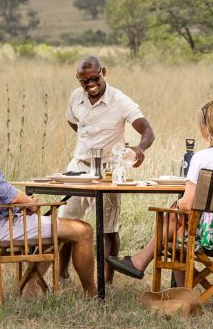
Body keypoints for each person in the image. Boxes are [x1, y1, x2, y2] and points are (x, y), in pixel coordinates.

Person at [0, 96, 97, 297]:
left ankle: (29, 288)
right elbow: (7, 195)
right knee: (82, 230)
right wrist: (30, 202)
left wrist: (23, 202)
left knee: (57, 228)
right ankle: (94, 295)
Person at [107, 99, 213, 284]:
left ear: (205, 131)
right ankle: (143, 263)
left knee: (175, 219)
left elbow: (187, 205)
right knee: (178, 224)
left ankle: (179, 291)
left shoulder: (202, 158)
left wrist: (177, 205)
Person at [59, 56, 155, 283]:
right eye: (85, 81)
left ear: (104, 72)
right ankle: (61, 275)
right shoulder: (76, 97)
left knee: (108, 228)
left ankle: (105, 281)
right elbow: (73, 121)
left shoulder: (119, 100)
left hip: (109, 169)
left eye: (95, 78)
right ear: (78, 79)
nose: (91, 84)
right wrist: (88, 140)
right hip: (79, 166)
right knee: (64, 224)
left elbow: (148, 131)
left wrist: (139, 149)